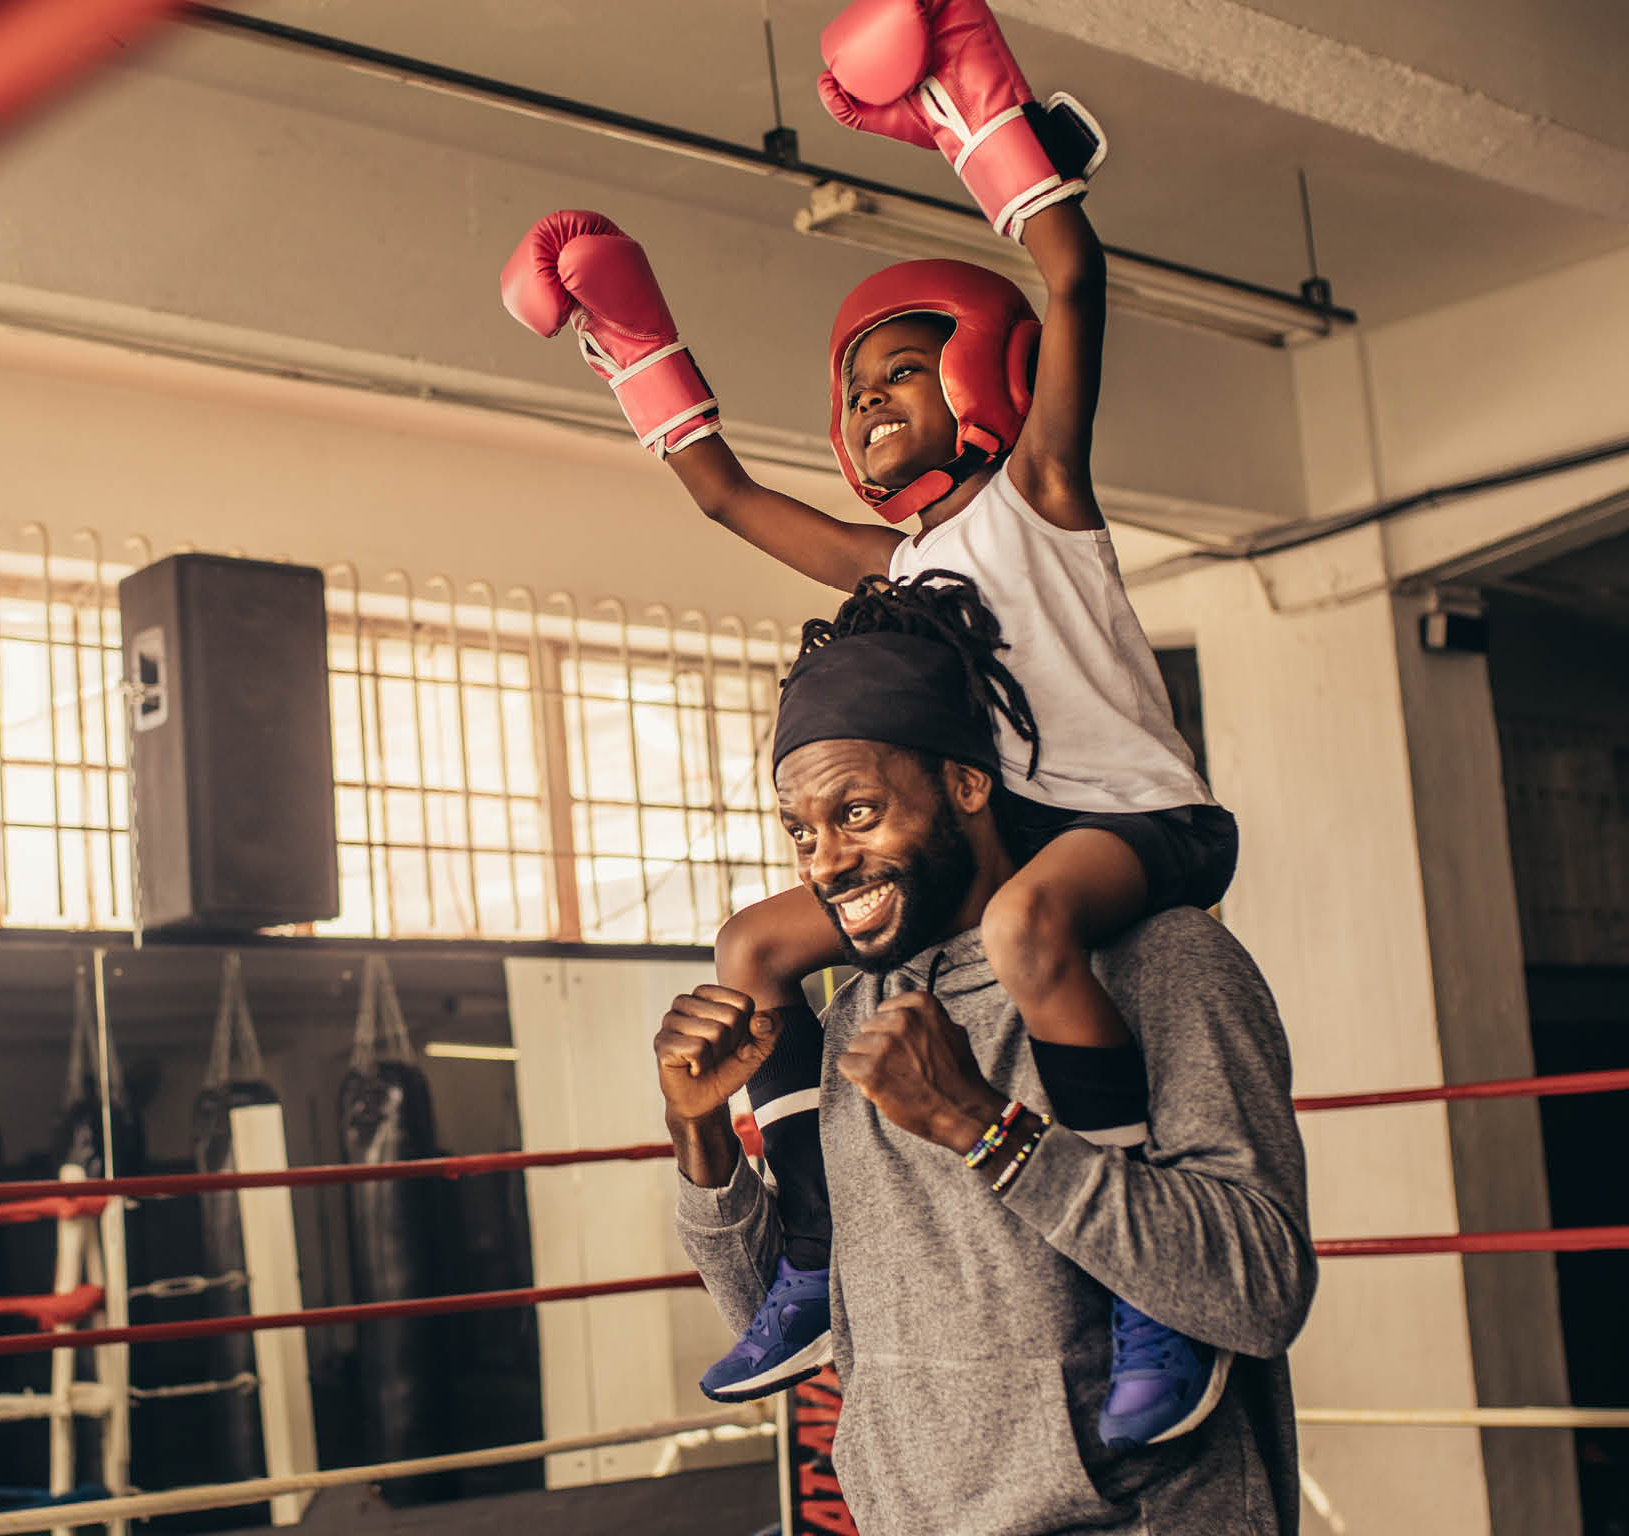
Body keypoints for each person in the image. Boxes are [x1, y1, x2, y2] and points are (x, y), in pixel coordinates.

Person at [497, 0, 1239, 1445]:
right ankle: (817, 1257)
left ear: (976, 378)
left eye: (901, 370)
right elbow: (721, 492)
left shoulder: (1038, 500)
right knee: (751, 948)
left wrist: (981, 111)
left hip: (1142, 822)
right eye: (854, 387)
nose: (871, 400)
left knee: (1027, 935)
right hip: (1002, 831)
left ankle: (1149, 1300)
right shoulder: (889, 573)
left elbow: (1074, 281)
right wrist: (625, 325)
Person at [655, 576, 1313, 1533]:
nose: (822, 863)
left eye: (857, 814)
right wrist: (701, 1132)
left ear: (966, 784)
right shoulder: (854, 1014)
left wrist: (983, 1127)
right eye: (800, 830)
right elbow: (796, 1317)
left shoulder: (1161, 964)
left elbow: (1257, 1290)